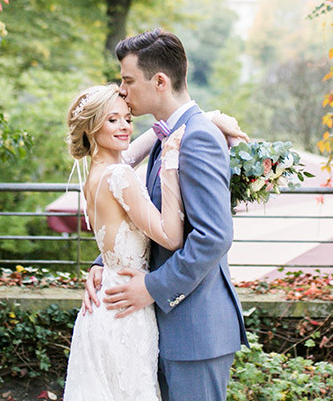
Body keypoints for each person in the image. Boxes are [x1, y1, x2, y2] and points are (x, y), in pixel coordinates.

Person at [83, 29, 248, 401]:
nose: (122, 90)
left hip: (195, 331)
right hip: (162, 327)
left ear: (159, 81)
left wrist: (151, 287)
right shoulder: (168, 135)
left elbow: (213, 237)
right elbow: (145, 216)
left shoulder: (198, 137)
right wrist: (106, 261)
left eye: (127, 80)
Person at [62, 83, 184, 401]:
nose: (125, 126)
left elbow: (137, 146)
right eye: (112, 119)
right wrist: (170, 162)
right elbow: (171, 237)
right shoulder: (120, 176)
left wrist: (198, 120)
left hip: (103, 309)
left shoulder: (96, 173)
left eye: (128, 118)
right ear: (91, 127)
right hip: (125, 313)